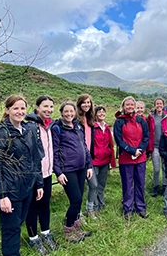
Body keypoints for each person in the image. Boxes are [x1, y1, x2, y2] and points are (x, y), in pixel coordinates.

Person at [0, 95, 44, 256]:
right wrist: (2, 195)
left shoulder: (28, 130)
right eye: (15, 108)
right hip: (9, 190)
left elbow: (35, 158)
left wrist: (39, 183)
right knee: (11, 229)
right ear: (7, 110)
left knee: (17, 225)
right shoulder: (0, 132)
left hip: (26, 187)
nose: (20, 112)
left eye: (22, 108)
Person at [52, 101, 93, 242]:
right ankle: (68, 229)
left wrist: (89, 165)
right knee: (75, 200)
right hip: (67, 170)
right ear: (62, 113)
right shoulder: (57, 128)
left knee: (79, 198)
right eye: (66, 111)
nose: (69, 114)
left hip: (81, 168)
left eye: (71, 111)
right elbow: (54, 151)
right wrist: (58, 172)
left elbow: (85, 147)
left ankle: (76, 226)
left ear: (75, 112)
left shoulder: (78, 126)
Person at [25, 95, 57, 254]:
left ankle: (45, 233)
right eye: (45, 106)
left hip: (47, 173)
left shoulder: (48, 126)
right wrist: (37, 180)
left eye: (51, 107)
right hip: (35, 175)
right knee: (33, 207)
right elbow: (32, 156)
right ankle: (33, 239)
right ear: (37, 107)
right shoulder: (31, 127)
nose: (49, 110)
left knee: (45, 204)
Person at [113, 96, 149, 220]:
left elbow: (146, 136)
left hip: (140, 157)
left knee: (140, 182)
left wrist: (140, 150)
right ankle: (128, 208)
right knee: (127, 183)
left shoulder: (140, 120)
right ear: (123, 106)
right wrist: (132, 150)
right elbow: (119, 140)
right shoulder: (119, 121)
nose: (130, 107)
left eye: (131, 105)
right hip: (126, 158)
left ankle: (141, 207)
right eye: (127, 105)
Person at [76, 94, 98, 219]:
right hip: (79, 159)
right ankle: (78, 214)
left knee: (93, 185)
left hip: (89, 158)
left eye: (88, 102)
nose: (86, 105)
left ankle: (90, 209)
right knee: (79, 189)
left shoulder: (90, 119)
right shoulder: (76, 119)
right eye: (84, 102)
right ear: (79, 104)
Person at [92, 106, 116, 210]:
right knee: (94, 184)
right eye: (99, 112)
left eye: (103, 112)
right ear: (95, 114)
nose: (101, 114)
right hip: (94, 160)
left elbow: (110, 144)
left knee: (102, 183)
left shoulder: (107, 128)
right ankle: (94, 204)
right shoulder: (92, 127)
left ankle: (101, 203)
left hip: (105, 160)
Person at [146, 98, 167, 197]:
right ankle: (155, 187)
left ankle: (164, 187)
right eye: (157, 103)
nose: (159, 105)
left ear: (163, 105)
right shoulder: (150, 117)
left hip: (164, 147)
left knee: (164, 168)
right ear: (154, 105)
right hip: (154, 146)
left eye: (161, 103)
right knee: (156, 169)